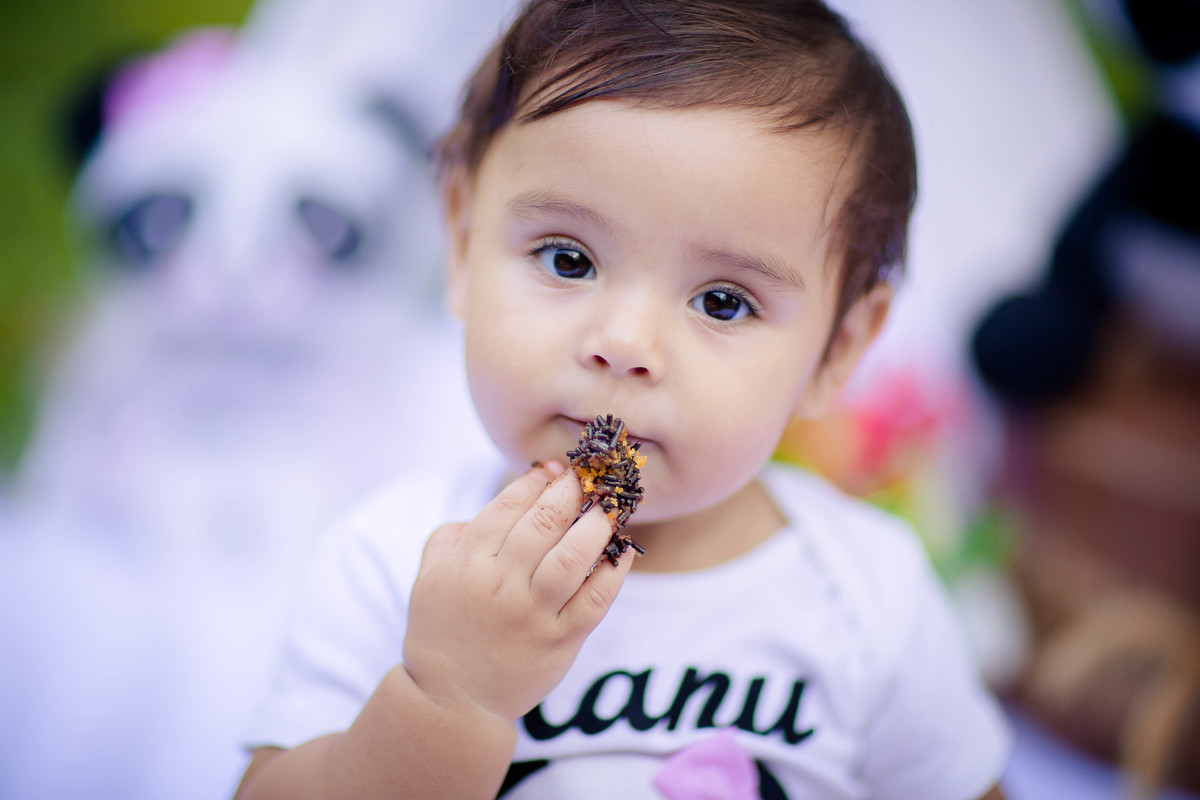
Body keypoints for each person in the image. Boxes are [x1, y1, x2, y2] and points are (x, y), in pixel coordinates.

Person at [234, 1, 1010, 797]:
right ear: (463, 244)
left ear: (838, 346)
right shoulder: (397, 560)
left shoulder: (869, 594)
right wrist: (447, 697)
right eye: (568, 259)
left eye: (722, 303)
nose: (625, 343)